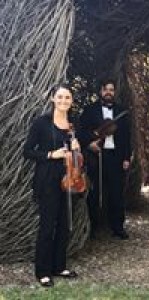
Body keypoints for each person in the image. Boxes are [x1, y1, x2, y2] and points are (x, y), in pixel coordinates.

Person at [23, 83, 79, 287]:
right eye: (60, 97)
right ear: (52, 99)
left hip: (69, 178)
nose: (64, 101)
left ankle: (59, 266)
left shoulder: (72, 125)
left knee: (64, 224)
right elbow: (27, 151)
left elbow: (76, 155)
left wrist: (76, 148)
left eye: (68, 98)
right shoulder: (41, 123)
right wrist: (50, 154)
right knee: (47, 226)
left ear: (71, 101)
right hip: (47, 179)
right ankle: (43, 271)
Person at [80, 79, 131, 240]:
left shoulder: (121, 111)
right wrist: (90, 144)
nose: (108, 92)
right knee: (94, 193)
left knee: (116, 193)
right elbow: (81, 132)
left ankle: (117, 227)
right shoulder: (89, 110)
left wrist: (126, 157)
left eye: (111, 89)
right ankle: (93, 228)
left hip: (116, 157)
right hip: (96, 156)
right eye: (105, 89)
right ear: (100, 91)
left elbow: (127, 136)